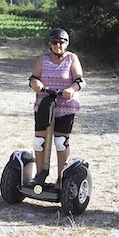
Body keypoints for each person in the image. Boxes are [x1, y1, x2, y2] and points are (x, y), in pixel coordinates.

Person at [28, 27, 86, 186]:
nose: (57, 45)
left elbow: (80, 81)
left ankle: (62, 178)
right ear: (50, 43)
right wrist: (36, 84)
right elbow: (32, 78)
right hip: (44, 104)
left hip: (65, 106)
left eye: (61, 42)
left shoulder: (72, 58)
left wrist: (71, 89)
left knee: (61, 141)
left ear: (66, 43)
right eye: (54, 42)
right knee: (39, 141)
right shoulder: (43, 58)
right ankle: (40, 175)